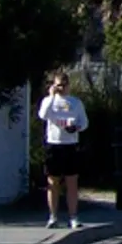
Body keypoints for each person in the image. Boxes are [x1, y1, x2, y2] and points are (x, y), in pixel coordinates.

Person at [36, 73, 87, 230]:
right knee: (53, 182)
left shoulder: (75, 103)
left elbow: (84, 122)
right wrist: (51, 97)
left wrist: (75, 128)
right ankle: (53, 216)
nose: (61, 88)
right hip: (54, 144)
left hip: (70, 144)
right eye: (58, 85)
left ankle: (73, 217)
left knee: (72, 182)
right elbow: (42, 115)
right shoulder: (48, 102)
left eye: (64, 85)